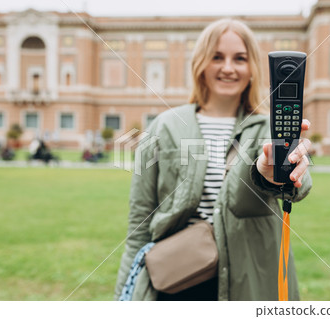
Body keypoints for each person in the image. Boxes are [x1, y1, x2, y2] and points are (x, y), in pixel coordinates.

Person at [114, 18, 312, 301]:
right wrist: (123, 297)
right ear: (200, 64)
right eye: (217, 57)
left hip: (252, 280)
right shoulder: (164, 126)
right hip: (176, 280)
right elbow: (139, 224)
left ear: (253, 68)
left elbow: (299, 185)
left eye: (240, 58)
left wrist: (275, 171)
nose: (228, 68)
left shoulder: (267, 128)